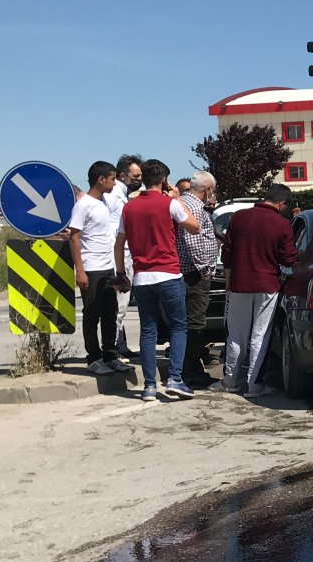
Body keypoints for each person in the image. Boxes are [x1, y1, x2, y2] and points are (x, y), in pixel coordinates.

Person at [114, 159, 201, 401]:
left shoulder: (129, 208)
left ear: (143, 178)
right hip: (169, 273)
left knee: (148, 330)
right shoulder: (169, 203)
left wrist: (121, 272)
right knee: (178, 327)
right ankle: (175, 379)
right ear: (164, 180)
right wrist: (178, 198)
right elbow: (194, 226)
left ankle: (149, 386)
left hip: (142, 276)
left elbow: (119, 244)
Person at [213, 184, 297, 398]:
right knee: (261, 335)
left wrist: (229, 279)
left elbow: (227, 251)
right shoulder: (282, 224)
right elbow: (288, 258)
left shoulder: (239, 217)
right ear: (282, 203)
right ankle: (254, 385)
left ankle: (230, 380)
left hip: (239, 283)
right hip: (267, 285)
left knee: (235, 334)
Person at [70, 161, 134, 376]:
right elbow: (74, 238)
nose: (114, 183)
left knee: (110, 313)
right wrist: (80, 270)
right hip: (91, 268)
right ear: (101, 179)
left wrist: (118, 270)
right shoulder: (83, 205)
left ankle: (110, 355)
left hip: (108, 268)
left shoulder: (104, 203)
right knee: (92, 314)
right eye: (112, 178)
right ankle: (94, 358)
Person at [177, 171, 220, 387]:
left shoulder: (186, 202)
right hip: (194, 274)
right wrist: (206, 269)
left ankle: (189, 367)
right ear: (208, 189)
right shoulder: (193, 207)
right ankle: (191, 371)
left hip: (189, 272)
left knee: (189, 322)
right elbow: (193, 241)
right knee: (194, 323)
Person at [105, 154, 142, 358]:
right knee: (118, 306)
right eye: (135, 176)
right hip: (116, 257)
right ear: (122, 175)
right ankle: (113, 349)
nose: (139, 179)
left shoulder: (124, 195)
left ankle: (120, 345)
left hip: (124, 256)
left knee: (122, 306)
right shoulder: (113, 195)